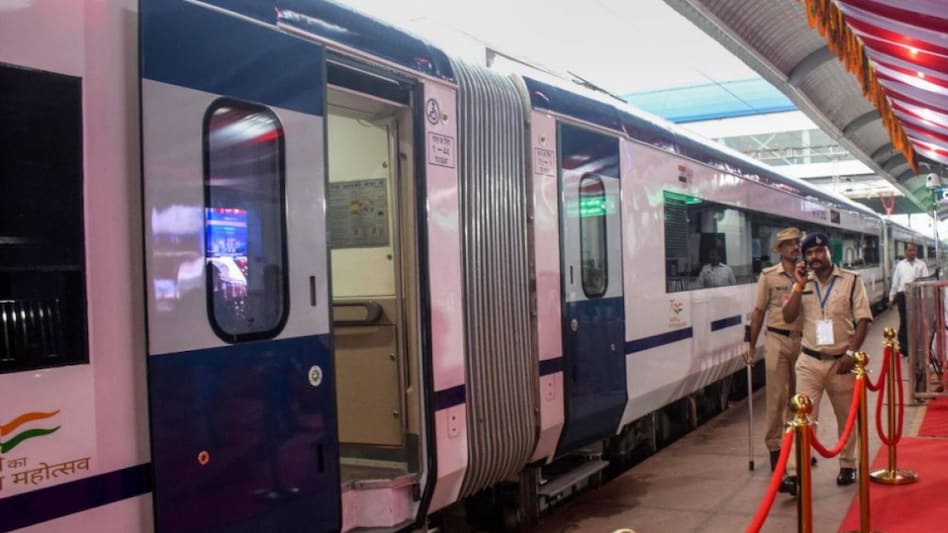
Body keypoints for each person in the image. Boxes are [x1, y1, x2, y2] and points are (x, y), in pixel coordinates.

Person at [780, 232, 872, 494]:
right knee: (803, 418)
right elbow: (788, 316)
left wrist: (851, 354)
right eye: (809, 253)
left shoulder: (852, 281)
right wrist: (798, 285)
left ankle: (848, 464)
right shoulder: (802, 282)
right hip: (809, 360)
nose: (814, 257)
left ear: (830, 252)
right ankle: (795, 473)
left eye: (819, 252)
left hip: (841, 361)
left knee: (846, 417)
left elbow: (863, 320)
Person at [746, 227, 803, 472]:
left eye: (797, 243)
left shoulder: (807, 274)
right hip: (776, 341)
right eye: (789, 243)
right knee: (777, 399)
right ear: (779, 249)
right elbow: (758, 312)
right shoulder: (769, 276)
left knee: (801, 399)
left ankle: (799, 446)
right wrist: (750, 344)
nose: (795, 247)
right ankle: (775, 449)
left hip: (803, 342)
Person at [888, 243, 929, 356]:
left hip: (917, 296)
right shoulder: (900, 265)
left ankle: (918, 347)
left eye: (914, 250)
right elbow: (895, 283)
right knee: (904, 322)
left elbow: (926, 281)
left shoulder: (921, 265)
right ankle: (904, 349)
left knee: (917, 322)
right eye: (910, 250)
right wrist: (891, 298)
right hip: (903, 296)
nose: (912, 253)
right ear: (905, 251)